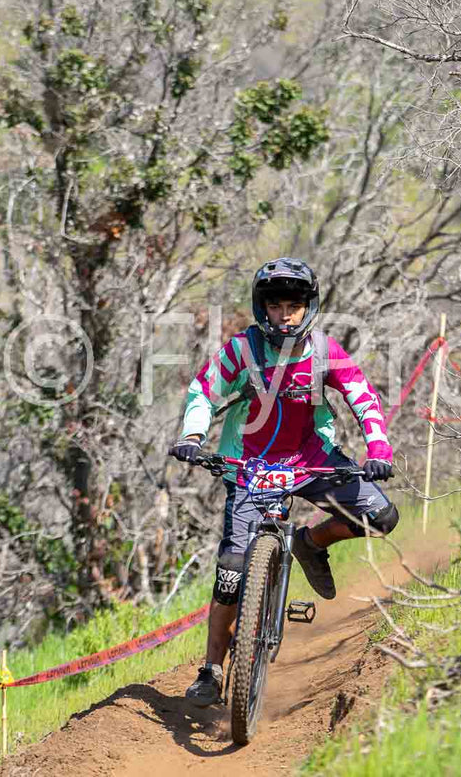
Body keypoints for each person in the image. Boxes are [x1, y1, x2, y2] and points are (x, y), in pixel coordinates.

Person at [169, 257, 397, 707]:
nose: (285, 315)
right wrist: (192, 437)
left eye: (294, 306)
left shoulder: (324, 349)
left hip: (310, 457)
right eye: (276, 306)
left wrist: (379, 451)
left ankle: (310, 544)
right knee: (231, 573)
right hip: (249, 464)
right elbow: (204, 391)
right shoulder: (243, 349)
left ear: (308, 307)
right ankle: (211, 670)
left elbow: (362, 395)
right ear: (263, 308)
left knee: (381, 516)